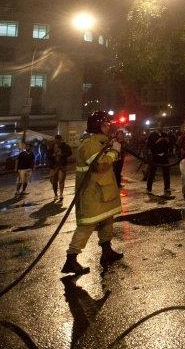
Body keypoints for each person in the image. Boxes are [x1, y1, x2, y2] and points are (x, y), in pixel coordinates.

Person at [62, 111, 123, 274]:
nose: (108, 127)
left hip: (103, 193)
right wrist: (115, 151)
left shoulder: (100, 142)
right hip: (92, 193)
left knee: (106, 221)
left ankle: (107, 251)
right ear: (98, 126)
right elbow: (101, 165)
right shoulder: (89, 144)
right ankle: (71, 259)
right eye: (106, 124)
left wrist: (111, 146)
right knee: (86, 226)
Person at [145, 128, 172, 195]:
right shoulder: (152, 135)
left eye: (161, 126)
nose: (160, 128)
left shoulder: (165, 135)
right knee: (152, 172)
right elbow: (149, 145)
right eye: (159, 126)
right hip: (155, 156)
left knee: (166, 172)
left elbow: (169, 145)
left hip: (164, 155)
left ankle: (167, 187)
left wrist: (167, 141)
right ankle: (148, 188)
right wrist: (157, 141)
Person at [48, 134, 72, 202]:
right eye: (57, 139)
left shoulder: (65, 146)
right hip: (53, 166)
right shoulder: (51, 147)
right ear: (55, 140)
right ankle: (55, 194)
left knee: (61, 180)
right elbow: (48, 155)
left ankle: (61, 194)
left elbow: (69, 153)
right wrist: (53, 155)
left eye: (59, 139)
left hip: (62, 165)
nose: (58, 141)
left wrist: (62, 155)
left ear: (61, 140)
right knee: (53, 181)